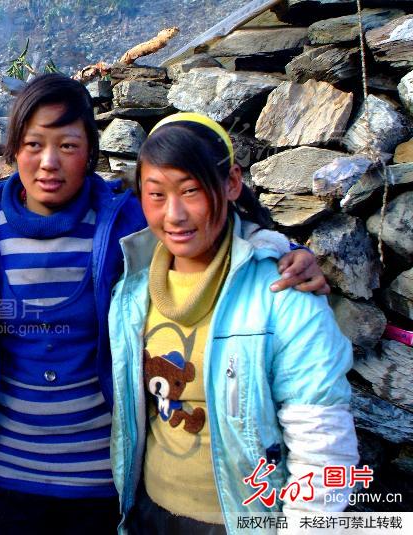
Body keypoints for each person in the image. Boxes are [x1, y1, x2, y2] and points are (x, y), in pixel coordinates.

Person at [0, 74, 329, 535]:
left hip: (100, 479)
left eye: (67, 146)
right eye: (33, 144)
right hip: (7, 474)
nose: (49, 162)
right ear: (13, 149)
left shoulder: (125, 222)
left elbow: (204, 228)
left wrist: (283, 250)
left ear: (91, 151)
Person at [109, 113, 359, 534]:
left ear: (231, 183)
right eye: (156, 195)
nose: (174, 214)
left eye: (190, 190)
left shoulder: (284, 294)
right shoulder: (132, 289)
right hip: (149, 514)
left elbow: (323, 445)